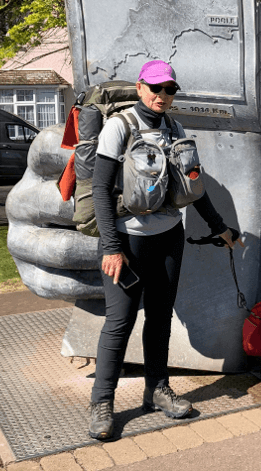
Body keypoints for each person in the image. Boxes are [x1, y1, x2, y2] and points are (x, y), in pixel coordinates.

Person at [89, 59, 243, 440]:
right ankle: (102, 402)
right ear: (140, 87)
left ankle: (156, 389)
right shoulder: (119, 127)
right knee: (120, 321)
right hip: (127, 240)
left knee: (159, 318)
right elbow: (100, 192)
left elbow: (194, 187)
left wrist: (219, 227)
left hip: (169, 236)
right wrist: (111, 247)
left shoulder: (175, 128)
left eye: (169, 89)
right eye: (155, 88)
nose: (162, 96)